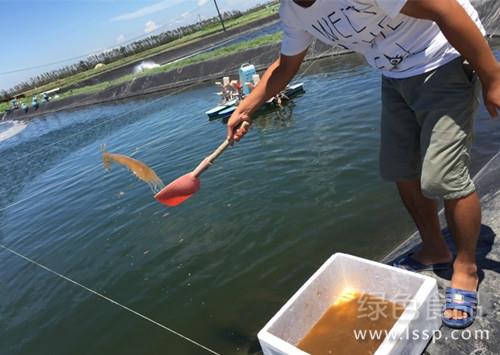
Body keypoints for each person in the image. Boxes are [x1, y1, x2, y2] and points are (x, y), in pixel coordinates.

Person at [226, 0, 500, 329]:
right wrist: (247, 106)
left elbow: (444, 8)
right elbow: (286, 65)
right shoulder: (293, 11)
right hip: (395, 74)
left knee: (443, 176)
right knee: (401, 170)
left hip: (443, 55)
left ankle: (466, 268)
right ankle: (434, 249)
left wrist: (492, 76)